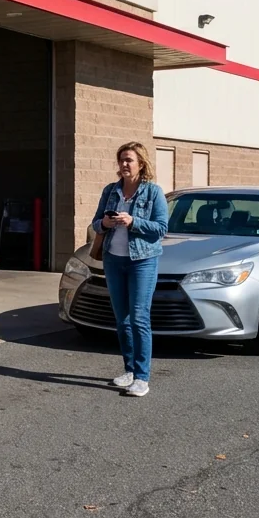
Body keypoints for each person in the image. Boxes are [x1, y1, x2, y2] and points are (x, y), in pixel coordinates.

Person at [91, 141, 169, 398]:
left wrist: (133, 221)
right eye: (122, 159)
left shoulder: (153, 192)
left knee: (139, 317)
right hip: (114, 259)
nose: (124, 164)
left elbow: (161, 228)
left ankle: (142, 377)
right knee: (121, 318)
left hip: (142, 261)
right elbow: (96, 223)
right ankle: (129, 370)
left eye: (129, 160)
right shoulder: (111, 191)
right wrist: (105, 222)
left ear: (141, 163)